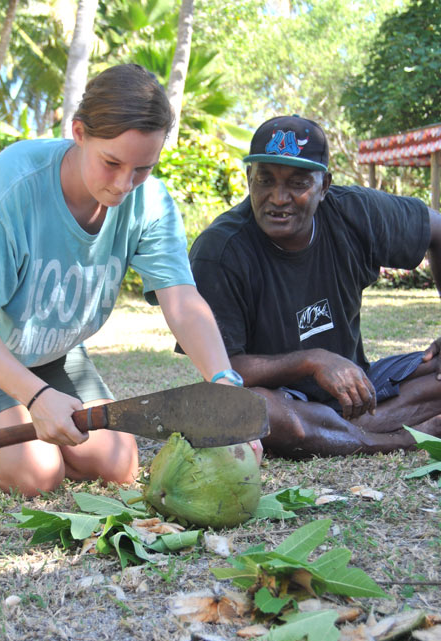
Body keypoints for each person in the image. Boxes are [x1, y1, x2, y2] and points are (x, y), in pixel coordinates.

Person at [0, 64, 253, 495]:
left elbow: (180, 300)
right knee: (39, 474)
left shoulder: (151, 203)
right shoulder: (15, 182)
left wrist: (223, 384)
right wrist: (35, 399)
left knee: (117, 465)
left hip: (45, 352)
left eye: (143, 168)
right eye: (111, 163)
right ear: (79, 132)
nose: (125, 184)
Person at [188, 114, 441, 458]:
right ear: (249, 178)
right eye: (265, 180)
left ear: (324, 186)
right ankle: (397, 438)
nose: (278, 197)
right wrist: (313, 361)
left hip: (359, 392)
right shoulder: (219, 251)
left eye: (297, 183)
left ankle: (335, 431)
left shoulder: (356, 212)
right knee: (244, 406)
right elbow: (222, 369)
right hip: (282, 402)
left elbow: (436, 230)